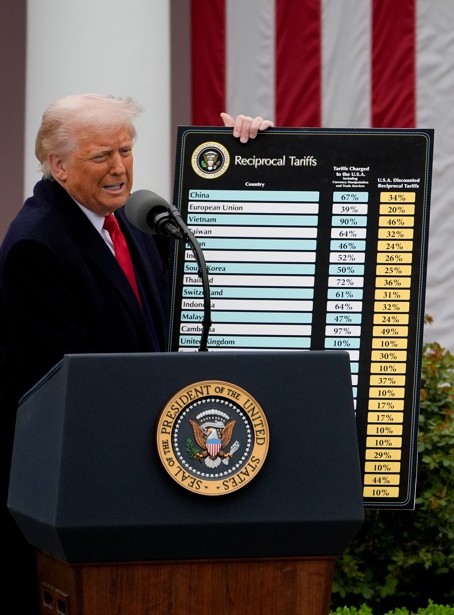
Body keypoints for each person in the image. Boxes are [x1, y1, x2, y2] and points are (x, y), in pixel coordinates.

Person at [0, 94, 272, 612]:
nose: (120, 168)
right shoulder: (39, 244)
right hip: (83, 493)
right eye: (101, 156)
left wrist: (250, 155)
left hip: (147, 474)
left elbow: (220, 243)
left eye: (125, 150)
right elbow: (70, 390)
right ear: (58, 165)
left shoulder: (135, 220)